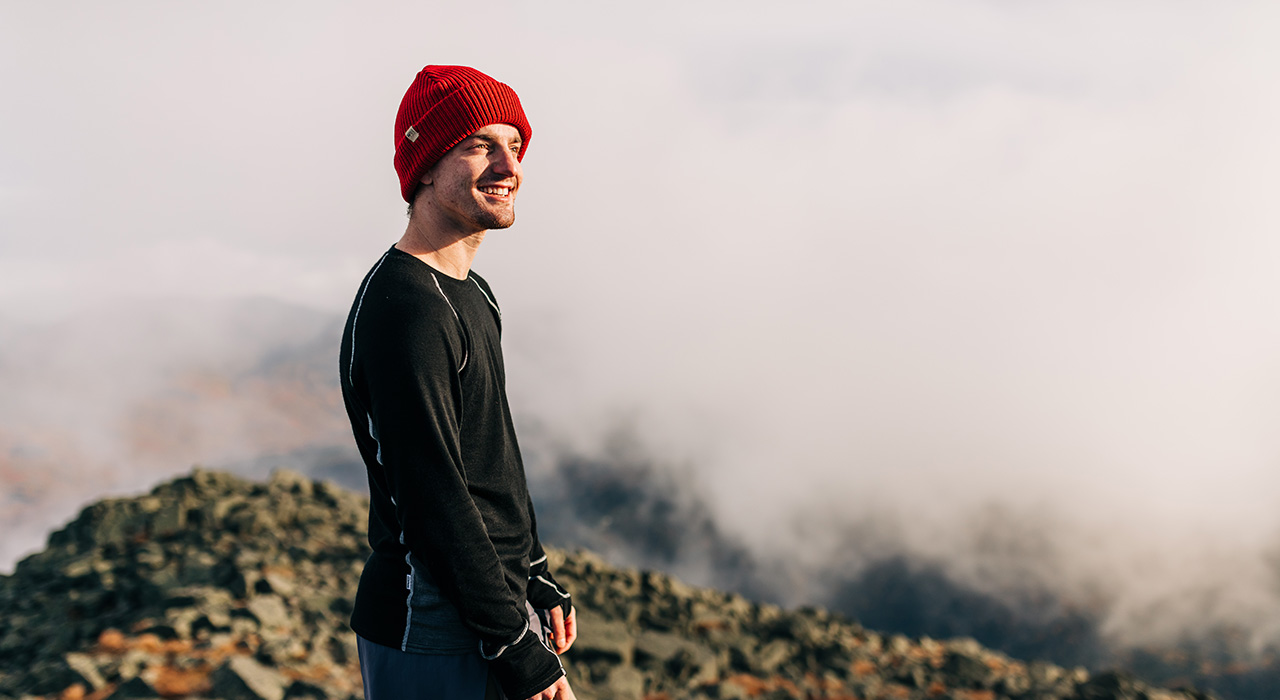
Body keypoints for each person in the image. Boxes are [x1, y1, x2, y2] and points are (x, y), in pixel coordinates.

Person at [339, 65, 578, 700]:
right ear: (423, 167)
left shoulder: (473, 293)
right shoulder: (408, 307)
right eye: (480, 145)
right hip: (434, 629)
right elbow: (432, 498)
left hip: (485, 615)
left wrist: (534, 572)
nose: (509, 166)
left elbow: (490, 459)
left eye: (515, 145)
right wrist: (514, 646)